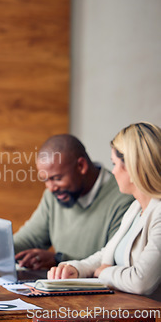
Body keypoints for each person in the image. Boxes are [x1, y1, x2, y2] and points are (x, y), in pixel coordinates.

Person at [0, 134, 134, 270]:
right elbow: (30, 239)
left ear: (81, 166)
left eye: (56, 179)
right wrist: (0, 246)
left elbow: (112, 261)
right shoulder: (55, 196)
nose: (50, 188)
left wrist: (59, 260)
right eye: (45, 180)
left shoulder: (123, 197)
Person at [48, 122, 161, 301]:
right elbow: (107, 253)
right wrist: (76, 268)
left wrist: (104, 273)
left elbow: (141, 281)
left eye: (114, 163)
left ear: (133, 168)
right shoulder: (136, 207)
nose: (113, 171)